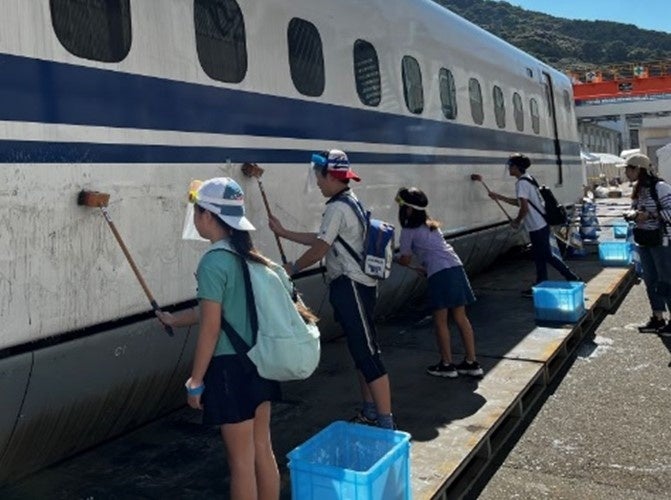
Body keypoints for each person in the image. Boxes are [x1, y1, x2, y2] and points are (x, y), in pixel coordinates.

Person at [157, 177, 281, 500]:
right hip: (261, 362)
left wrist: (196, 380)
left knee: (240, 463)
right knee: (262, 449)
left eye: (197, 212)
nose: (195, 219)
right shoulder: (249, 256)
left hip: (230, 370)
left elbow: (211, 329)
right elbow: (216, 313)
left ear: (209, 216)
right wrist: (174, 319)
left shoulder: (213, 261)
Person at [268, 149, 395, 429]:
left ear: (331, 176)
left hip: (352, 286)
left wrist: (293, 268)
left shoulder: (337, 207)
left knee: (368, 353)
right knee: (361, 350)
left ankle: (386, 423)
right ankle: (371, 410)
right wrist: (284, 232)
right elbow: (323, 238)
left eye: (319, 177)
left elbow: (321, 248)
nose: (317, 183)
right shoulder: (349, 202)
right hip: (358, 286)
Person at [395, 187, 484, 378]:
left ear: (407, 209)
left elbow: (405, 259)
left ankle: (447, 364)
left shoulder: (408, 230)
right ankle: (472, 362)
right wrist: (424, 268)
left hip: (439, 274)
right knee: (461, 317)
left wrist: (394, 259)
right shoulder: (431, 225)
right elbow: (435, 251)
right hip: (455, 268)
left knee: (441, 321)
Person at [488, 153, 580, 297]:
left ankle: (572, 277)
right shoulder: (528, 179)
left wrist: (516, 222)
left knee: (547, 255)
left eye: (510, 165)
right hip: (539, 224)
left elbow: (524, 208)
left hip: (537, 226)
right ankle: (541, 282)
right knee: (539, 256)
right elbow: (521, 202)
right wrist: (499, 197)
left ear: (517, 167)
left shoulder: (521, 183)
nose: (509, 168)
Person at [623, 153, 671, 337]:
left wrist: (650, 216)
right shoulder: (639, 189)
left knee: (666, 279)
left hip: (662, 241)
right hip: (644, 239)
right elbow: (636, 208)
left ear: (640, 169)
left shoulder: (660, 187)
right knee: (650, 279)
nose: (626, 172)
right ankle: (657, 317)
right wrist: (633, 213)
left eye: (629, 168)